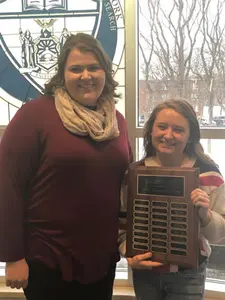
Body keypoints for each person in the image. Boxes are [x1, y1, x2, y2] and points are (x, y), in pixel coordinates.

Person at [0, 33, 132, 300]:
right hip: (47, 259)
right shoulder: (35, 115)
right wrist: (12, 256)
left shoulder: (116, 121)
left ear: (105, 72)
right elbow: (7, 184)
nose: (86, 75)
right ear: (61, 75)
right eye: (76, 68)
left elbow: (126, 187)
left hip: (101, 260)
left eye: (94, 67)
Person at [119, 99, 225, 300]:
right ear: (150, 131)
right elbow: (123, 223)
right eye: (161, 127)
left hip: (188, 275)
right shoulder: (134, 174)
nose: (168, 135)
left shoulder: (208, 174)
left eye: (178, 129)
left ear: (190, 136)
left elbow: (219, 234)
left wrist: (205, 214)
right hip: (145, 272)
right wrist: (129, 253)